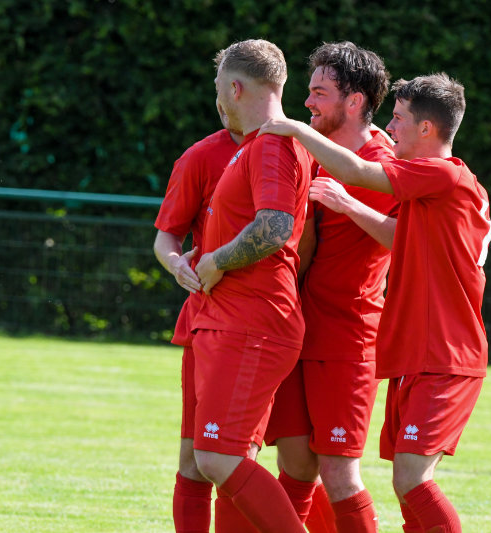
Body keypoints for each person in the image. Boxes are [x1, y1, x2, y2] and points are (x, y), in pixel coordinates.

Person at [260, 72, 491, 532]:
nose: (391, 127)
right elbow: (397, 233)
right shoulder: (431, 188)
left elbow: (356, 171)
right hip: (417, 354)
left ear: (426, 128)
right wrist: (350, 206)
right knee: (407, 484)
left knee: (411, 479)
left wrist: (294, 128)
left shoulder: (444, 173)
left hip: (446, 354)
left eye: (400, 119)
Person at [263, 41, 399, 533]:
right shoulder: (311, 152)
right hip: (296, 330)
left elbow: (409, 239)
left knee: (340, 472)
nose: (307, 102)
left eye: (320, 92)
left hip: (348, 336)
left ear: (354, 101)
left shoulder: (386, 161)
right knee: (296, 464)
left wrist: (349, 205)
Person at [189, 39, 312, 533]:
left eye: (220, 89)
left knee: (217, 458)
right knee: (228, 456)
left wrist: (217, 259)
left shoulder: (271, 145)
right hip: (244, 321)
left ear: (235, 89)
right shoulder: (264, 145)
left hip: (253, 323)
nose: (218, 100)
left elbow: (276, 226)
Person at [153, 99, 250, 531]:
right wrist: (177, 264)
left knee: (241, 459)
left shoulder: (292, 147)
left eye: (225, 91)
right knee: (194, 461)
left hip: (263, 327)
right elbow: (166, 239)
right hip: (204, 321)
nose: (220, 103)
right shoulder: (199, 156)